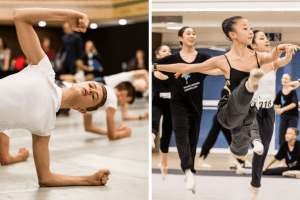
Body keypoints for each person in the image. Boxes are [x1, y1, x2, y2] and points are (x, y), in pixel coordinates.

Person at [153, 17, 298, 192]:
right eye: (245, 28)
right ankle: (249, 86)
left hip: (247, 114)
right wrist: (156, 67)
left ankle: (252, 144)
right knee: (241, 100)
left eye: (250, 27)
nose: (250, 31)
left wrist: (281, 49)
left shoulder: (259, 57)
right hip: (228, 111)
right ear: (233, 35)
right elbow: (186, 67)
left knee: (240, 149)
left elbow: (273, 57)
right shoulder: (223, 60)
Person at [0, 8, 110, 187]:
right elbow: (19, 16)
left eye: (93, 96)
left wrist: (89, 179)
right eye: (90, 86)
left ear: (82, 110)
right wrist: (68, 15)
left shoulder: (45, 127)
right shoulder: (44, 70)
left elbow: (46, 178)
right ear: (77, 83)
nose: (90, 91)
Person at [153, 26, 222, 194]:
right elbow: (155, 67)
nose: (192, 36)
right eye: (188, 33)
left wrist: (191, 69)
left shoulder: (203, 58)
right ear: (180, 38)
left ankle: (190, 172)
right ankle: (189, 171)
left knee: (192, 141)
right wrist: (170, 72)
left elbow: (218, 69)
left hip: (195, 105)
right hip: (177, 104)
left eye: (193, 33)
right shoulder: (172, 59)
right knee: (181, 136)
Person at [232, 30, 294, 200]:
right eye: (262, 38)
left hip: (268, 111)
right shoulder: (248, 63)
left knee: (262, 150)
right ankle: (248, 141)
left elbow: (285, 60)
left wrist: (288, 52)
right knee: (257, 143)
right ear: (253, 44)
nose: (266, 41)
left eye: (267, 38)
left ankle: (254, 184)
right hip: (251, 109)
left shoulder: (272, 62)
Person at [152, 45, 173, 181]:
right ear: (158, 55)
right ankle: (151, 140)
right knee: (154, 121)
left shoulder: (176, 68)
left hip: (171, 103)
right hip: (157, 100)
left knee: (167, 132)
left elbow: (188, 77)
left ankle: (163, 163)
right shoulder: (153, 67)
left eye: (169, 51)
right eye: (164, 51)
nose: (168, 52)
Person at [274, 74, 299, 147]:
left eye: (286, 78)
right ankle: (283, 155)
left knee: (291, 136)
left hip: (293, 117)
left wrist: (282, 109)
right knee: (281, 137)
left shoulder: (292, 91)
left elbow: (294, 104)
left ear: (291, 81)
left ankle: (293, 154)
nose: (284, 80)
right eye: (283, 78)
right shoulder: (280, 92)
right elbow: (276, 103)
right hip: (284, 117)